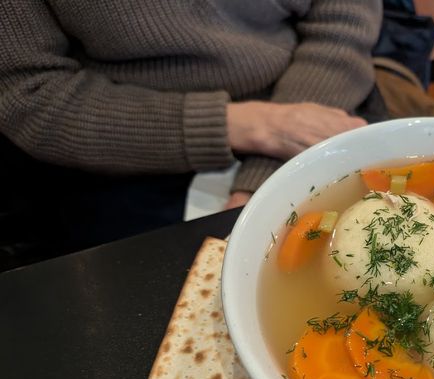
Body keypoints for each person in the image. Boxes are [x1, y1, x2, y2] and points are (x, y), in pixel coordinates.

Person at [0, 0, 385, 270]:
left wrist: (266, 165)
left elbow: (343, 19)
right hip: (134, 138)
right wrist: (251, 126)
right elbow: (28, 95)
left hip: (317, 86)